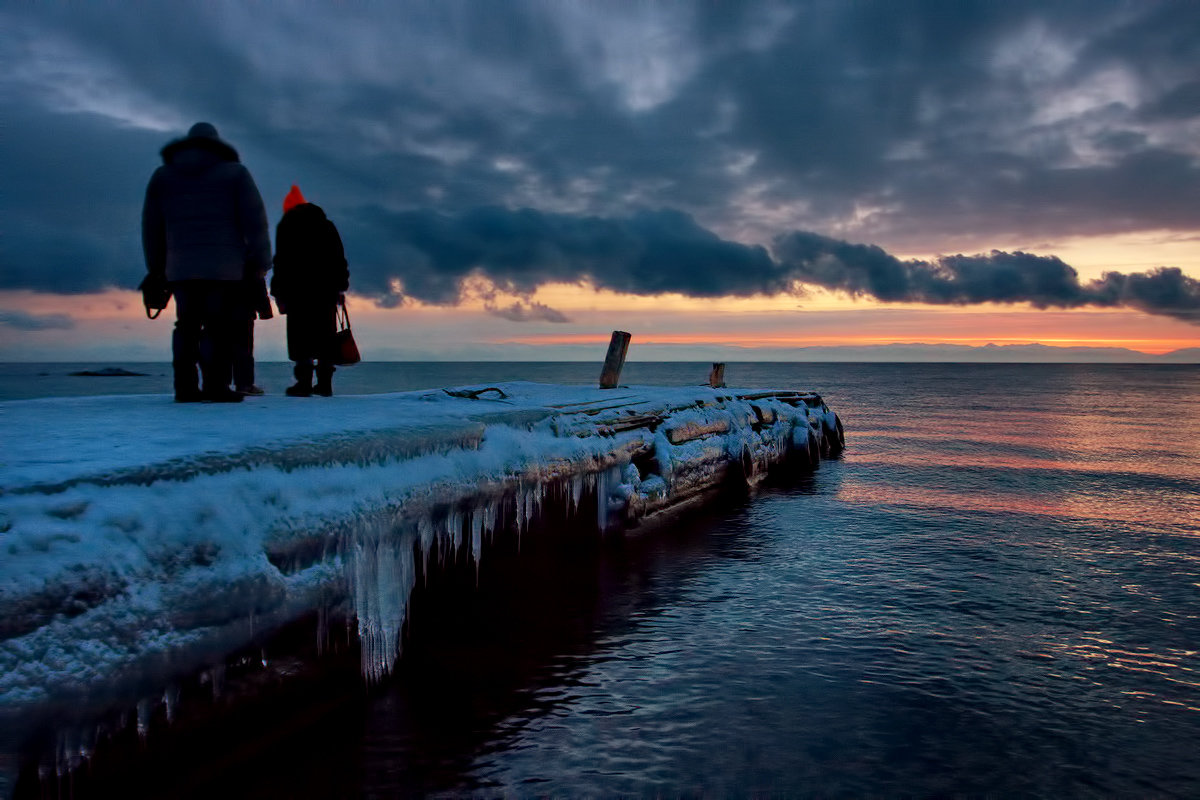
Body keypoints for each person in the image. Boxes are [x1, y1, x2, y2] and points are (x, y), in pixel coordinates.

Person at [142, 122, 272, 403]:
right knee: (219, 326)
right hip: (224, 267)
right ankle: (217, 386)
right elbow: (255, 222)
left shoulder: (163, 177)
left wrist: (156, 267)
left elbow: (152, 227)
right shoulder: (235, 174)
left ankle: (185, 388)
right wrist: (261, 261)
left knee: (185, 326)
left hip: (180, 267)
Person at [271, 185, 349, 397]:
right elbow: (339, 259)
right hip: (326, 290)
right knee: (326, 337)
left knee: (300, 338)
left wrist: (278, 292)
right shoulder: (327, 226)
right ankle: (325, 383)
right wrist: (341, 286)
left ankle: (303, 383)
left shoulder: (286, 226)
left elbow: (281, 262)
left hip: (297, 291)